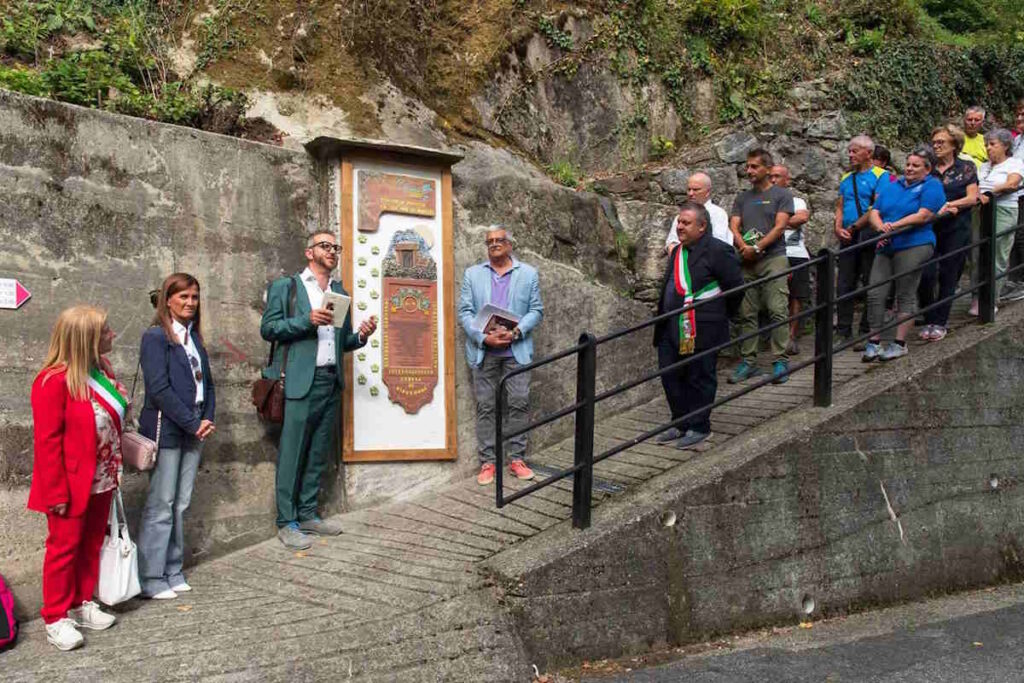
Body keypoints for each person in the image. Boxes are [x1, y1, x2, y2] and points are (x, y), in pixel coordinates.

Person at [260, 231, 376, 550]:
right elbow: (268, 329)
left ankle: (308, 514)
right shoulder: (288, 287)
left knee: (317, 452)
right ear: (309, 252)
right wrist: (306, 321)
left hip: (330, 380)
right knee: (292, 451)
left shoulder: (339, 292)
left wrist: (362, 336)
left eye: (336, 247)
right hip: (299, 381)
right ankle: (286, 521)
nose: (333, 251)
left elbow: (343, 341)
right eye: (326, 246)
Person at [28, 306, 122, 651]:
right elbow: (47, 441)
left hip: (102, 477)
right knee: (63, 550)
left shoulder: (102, 371)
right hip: (68, 484)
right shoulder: (52, 381)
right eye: (106, 331)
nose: (112, 335)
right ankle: (55, 616)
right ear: (87, 339)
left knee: (91, 544)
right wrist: (55, 491)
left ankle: (82, 603)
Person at [137, 273, 216, 598]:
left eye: (194, 297)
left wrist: (207, 416)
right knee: (161, 504)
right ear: (167, 299)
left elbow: (207, 384)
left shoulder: (194, 339)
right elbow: (159, 389)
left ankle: (172, 569)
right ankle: (150, 577)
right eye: (183, 297)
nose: (189, 303)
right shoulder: (155, 337)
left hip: (194, 428)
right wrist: (191, 422)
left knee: (180, 503)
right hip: (168, 429)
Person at [653, 202, 743, 449]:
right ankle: (680, 421)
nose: (680, 227)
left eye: (686, 223)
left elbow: (735, 288)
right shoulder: (678, 252)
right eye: (679, 222)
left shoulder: (719, 251)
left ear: (702, 226)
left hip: (703, 326)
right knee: (670, 374)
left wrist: (718, 316)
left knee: (699, 376)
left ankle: (699, 425)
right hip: (670, 325)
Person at [458, 227, 543, 485]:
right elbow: (465, 312)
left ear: (509, 245)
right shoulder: (473, 275)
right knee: (486, 407)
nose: (494, 245)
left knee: (518, 403)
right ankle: (488, 462)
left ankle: (516, 458)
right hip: (484, 351)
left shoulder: (528, 274)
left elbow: (536, 310)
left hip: (516, 350)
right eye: (490, 242)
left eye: (499, 241)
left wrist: (517, 331)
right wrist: (484, 337)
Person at [862, 147, 945, 362]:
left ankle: (899, 343)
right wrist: (881, 226)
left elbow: (923, 215)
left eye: (915, 166)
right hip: (887, 244)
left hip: (915, 243)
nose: (909, 168)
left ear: (927, 170)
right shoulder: (893, 185)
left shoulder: (932, 186)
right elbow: (874, 211)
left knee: (905, 291)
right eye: (908, 164)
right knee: (875, 292)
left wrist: (893, 226)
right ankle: (874, 341)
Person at [727, 149, 794, 385]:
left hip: (773, 257)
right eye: (748, 167)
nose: (749, 171)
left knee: (777, 308)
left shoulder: (782, 195)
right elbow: (734, 226)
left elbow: (780, 227)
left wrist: (758, 248)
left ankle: (780, 360)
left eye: (754, 167)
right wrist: (745, 247)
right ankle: (749, 361)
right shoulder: (742, 198)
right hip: (747, 260)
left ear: (767, 168)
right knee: (746, 313)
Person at [917, 125, 978, 341]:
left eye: (941, 142)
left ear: (955, 145)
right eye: (934, 143)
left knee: (949, 274)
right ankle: (928, 316)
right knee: (926, 273)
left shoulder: (966, 168)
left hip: (956, 227)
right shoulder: (927, 168)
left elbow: (972, 198)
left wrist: (950, 204)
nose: (936, 146)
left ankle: (940, 321)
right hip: (928, 228)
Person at [834, 135, 890, 347]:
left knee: (870, 280)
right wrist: (838, 227)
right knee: (844, 283)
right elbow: (839, 206)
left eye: (854, 151)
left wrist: (855, 226)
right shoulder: (846, 178)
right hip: (848, 235)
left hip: (869, 233)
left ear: (868, 153)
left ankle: (867, 329)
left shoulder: (881, 176)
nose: (850, 155)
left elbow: (877, 206)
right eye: (849, 151)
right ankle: (844, 330)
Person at [973, 129, 1024, 311]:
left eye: (993, 144)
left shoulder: (1014, 163)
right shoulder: (984, 166)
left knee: (998, 255)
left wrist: (989, 193)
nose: (988, 148)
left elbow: (1012, 183)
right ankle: (978, 298)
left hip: (1004, 209)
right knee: (979, 253)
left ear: (1005, 146)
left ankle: (991, 301)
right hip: (981, 210)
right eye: (987, 144)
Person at [769, 165, 811, 355]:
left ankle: (791, 337)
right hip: (772, 254)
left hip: (796, 253)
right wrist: (786, 221)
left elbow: (801, 218)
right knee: (775, 296)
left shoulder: (797, 201)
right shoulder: (764, 201)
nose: (773, 180)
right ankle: (777, 337)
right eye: (771, 176)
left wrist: (774, 223)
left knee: (797, 295)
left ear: (787, 180)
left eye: (777, 176)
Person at [664, 172, 732, 251]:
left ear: (708, 192)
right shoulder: (682, 215)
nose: (690, 193)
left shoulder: (718, 214)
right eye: (689, 189)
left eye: (696, 190)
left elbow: (719, 244)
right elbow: (672, 243)